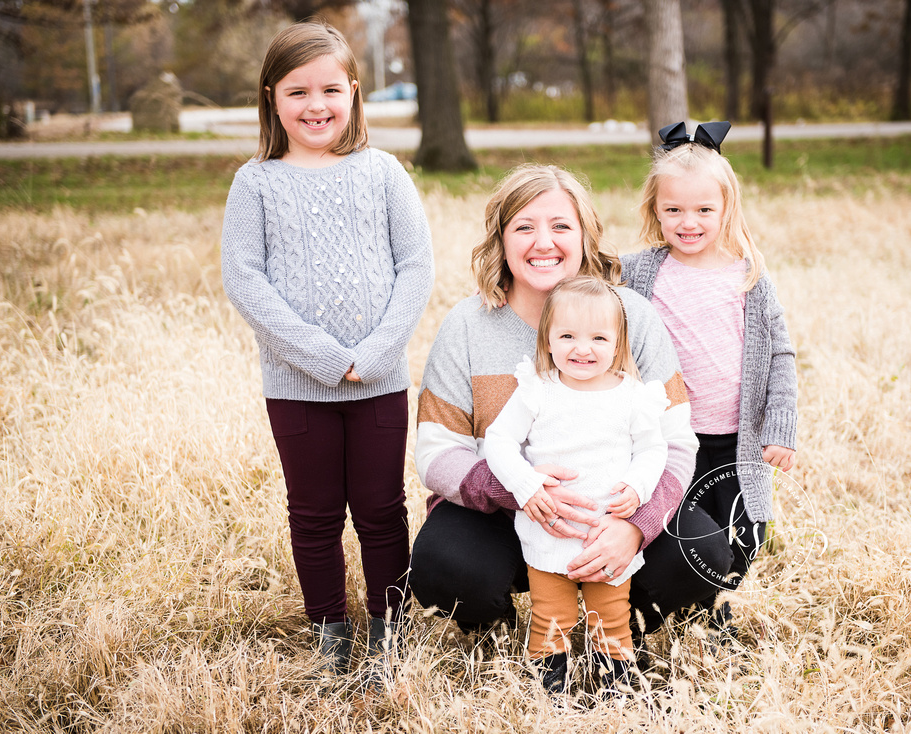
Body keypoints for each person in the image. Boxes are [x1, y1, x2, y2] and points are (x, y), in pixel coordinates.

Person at [411, 164, 724, 675]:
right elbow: (435, 452)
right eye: (525, 227)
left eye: (560, 226)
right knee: (446, 567)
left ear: (585, 236)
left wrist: (637, 526)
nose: (544, 242)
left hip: (614, 511)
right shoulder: (468, 326)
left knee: (703, 553)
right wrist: (522, 490)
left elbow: (674, 440)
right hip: (505, 515)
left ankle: (620, 626)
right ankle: (527, 620)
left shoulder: (631, 315)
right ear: (501, 239)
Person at [220, 21, 434, 680]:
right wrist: (322, 357)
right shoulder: (256, 182)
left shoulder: (383, 173)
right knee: (312, 514)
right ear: (271, 98)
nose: (316, 106)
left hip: (379, 383)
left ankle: (389, 631)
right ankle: (330, 633)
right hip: (296, 387)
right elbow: (245, 281)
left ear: (354, 93)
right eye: (297, 91)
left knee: (381, 509)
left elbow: (417, 267)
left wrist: (370, 355)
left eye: (330, 90)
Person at [622, 121, 798, 638]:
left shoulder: (748, 276)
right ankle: (647, 613)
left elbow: (781, 354)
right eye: (673, 209)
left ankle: (715, 621)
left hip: (736, 440)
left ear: (727, 210)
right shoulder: (639, 272)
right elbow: (579, 283)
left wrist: (779, 428)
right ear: (655, 210)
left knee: (745, 536)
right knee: (679, 532)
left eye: (703, 210)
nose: (688, 222)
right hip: (672, 439)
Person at [485, 276, 669, 693]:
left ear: (618, 345)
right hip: (551, 529)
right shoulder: (538, 390)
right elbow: (498, 440)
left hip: (609, 532)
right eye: (567, 335)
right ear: (547, 340)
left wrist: (639, 488)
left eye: (598, 338)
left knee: (612, 616)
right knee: (551, 613)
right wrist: (525, 483)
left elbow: (654, 450)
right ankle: (549, 688)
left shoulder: (633, 396)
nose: (582, 348)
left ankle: (615, 686)